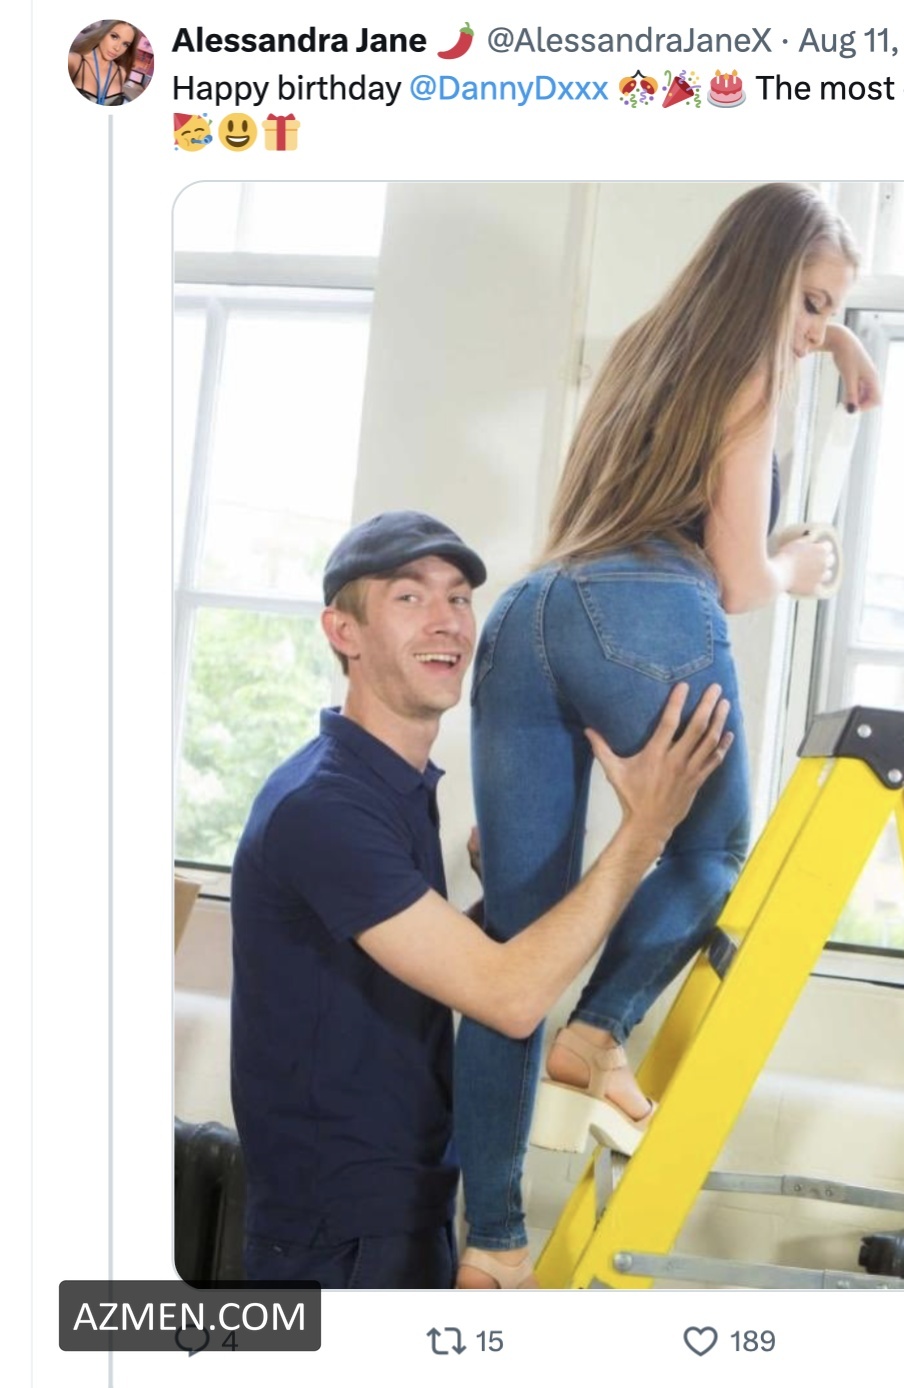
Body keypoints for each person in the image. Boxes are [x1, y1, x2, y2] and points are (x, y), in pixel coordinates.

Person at [457, 182, 882, 1288]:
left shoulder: (653, 345)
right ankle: (598, 1032)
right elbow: (738, 580)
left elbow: (767, 332)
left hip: (532, 611)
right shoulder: (752, 373)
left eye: (829, 310)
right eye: (810, 304)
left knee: (512, 956)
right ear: (766, 282)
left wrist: (833, 340)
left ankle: (490, 1240)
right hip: (650, 606)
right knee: (714, 851)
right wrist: (798, 565)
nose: (813, 330)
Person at [229, 510, 732, 1289]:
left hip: (407, 1215)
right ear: (343, 631)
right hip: (337, 1245)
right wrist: (648, 828)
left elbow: (405, 968)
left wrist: (494, 907)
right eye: (409, 597)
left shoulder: (387, 787)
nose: (447, 621)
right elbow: (509, 998)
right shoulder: (324, 807)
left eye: (459, 598)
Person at [68, 21, 141, 106]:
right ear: (102, 32)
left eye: (125, 44)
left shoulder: (121, 73)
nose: (117, 48)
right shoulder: (73, 61)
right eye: (114, 37)